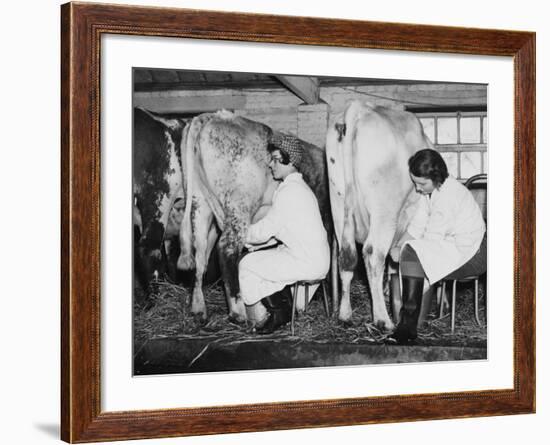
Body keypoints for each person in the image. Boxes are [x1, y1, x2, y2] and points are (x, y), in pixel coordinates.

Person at [389, 149, 486, 344]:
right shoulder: (431, 193)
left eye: (421, 183)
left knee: (412, 253)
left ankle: (407, 327)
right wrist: (397, 245)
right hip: (453, 247)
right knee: (409, 251)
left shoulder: (450, 195)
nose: (417, 188)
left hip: (474, 253)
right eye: (415, 183)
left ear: (436, 176)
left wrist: (404, 251)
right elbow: (417, 226)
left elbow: (431, 239)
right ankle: (409, 325)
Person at [238, 133, 330, 334]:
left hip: (307, 262)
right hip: (311, 257)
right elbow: (278, 231)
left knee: (246, 265)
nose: (271, 165)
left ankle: (278, 312)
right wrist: (254, 245)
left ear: (290, 162)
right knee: (260, 258)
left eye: (276, 160)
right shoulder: (297, 188)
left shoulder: (290, 193)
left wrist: (241, 234)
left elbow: (265, 230)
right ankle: (285, 307)